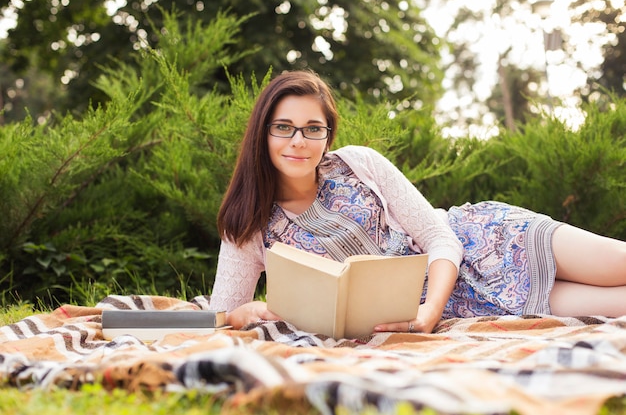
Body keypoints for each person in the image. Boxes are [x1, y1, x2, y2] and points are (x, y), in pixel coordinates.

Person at [209, 69, 626, 335]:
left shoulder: (360, 164)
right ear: (262, 134)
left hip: (490, 242)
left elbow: (440, 237)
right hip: (467, 302)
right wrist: (239, 315)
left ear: (328, 136)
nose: (298, 141)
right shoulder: (246, 226)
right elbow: (219, 316)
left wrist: (429, 313)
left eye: (312, 128)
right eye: (284, 127)